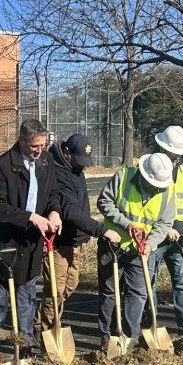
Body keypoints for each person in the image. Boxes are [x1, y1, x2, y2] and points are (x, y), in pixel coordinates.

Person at [0, 119, 62, 365]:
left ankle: (24, 348)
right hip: (6, 243)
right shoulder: (3, 166)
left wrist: (54, 212)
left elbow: (53, 194)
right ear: (22, 141)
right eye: (34, 146)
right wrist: (29, 217)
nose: (39, 151)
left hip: (31, 243)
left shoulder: (46, 163)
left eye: (43, 145)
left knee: (27, 298)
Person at [37, 133, 119, 337]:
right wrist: (101, 230)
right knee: (55, 291)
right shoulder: (57, 172)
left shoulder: (75, 167)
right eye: (79, 160)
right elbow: (70, 211)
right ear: (66, 152)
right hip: (58, 241)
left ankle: (45, 320)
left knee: (70, 286)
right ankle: (43, 332)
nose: (83, 165)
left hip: (76, 241)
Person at [95, 153, 177, 347]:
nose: (156, 188)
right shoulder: (123, 177)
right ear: (143, 174)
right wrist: (127, 224)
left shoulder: (168, 189)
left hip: (140, 251)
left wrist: (151, 243)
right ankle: (106, 336)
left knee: (138, 294)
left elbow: (165, 223)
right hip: (112, 246)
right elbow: (103, 202)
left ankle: (131, 338)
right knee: (109, 292)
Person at [144, 126, 183, 336]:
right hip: (156, 237)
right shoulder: (150, 166)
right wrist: (164, 228)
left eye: (179, 153)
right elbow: (146, 204)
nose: (176, 156)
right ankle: (150, 326)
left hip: (181, 238)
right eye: (172, 151)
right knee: (148, 283)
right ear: (161, 146)